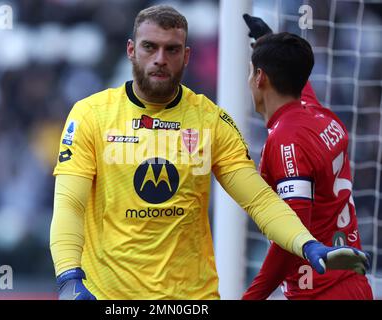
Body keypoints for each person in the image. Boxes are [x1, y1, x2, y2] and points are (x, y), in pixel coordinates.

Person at [50, 5, 369, 300]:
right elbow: (70, 203)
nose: (160, 58)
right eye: (150, 47)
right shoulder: (91, 115)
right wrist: (68, 276)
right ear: (132, 51)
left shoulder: (210, 121)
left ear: (186, 56)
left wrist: (306, 243)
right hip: (112, 298)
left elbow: (258, 199)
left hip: (192, 300)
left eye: (171, 49)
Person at [241, 15, 373, 300]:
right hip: (352, 284)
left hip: (322, 291)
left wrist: (251, 297)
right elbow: (300, 87)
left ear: (260, 78)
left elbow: (293, 234)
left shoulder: (287, 141)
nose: (249, 80)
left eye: (251, 72)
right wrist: (265, 41)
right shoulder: (318, 115)